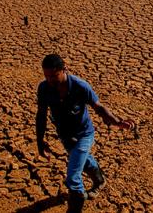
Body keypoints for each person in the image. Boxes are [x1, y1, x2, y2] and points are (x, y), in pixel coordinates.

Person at [36, 54, 135, 213]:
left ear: (64, 69)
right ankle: (100, 181)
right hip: (65, 135)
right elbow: (41, 114)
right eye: (46, 76)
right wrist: (40, 141)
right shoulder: (44, 88)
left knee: (73, 178)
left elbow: (98, 107)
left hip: (84, 134)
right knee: (84, 161)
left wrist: (116, 122)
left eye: (53, 76)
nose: (50, 80)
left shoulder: (80, 86)